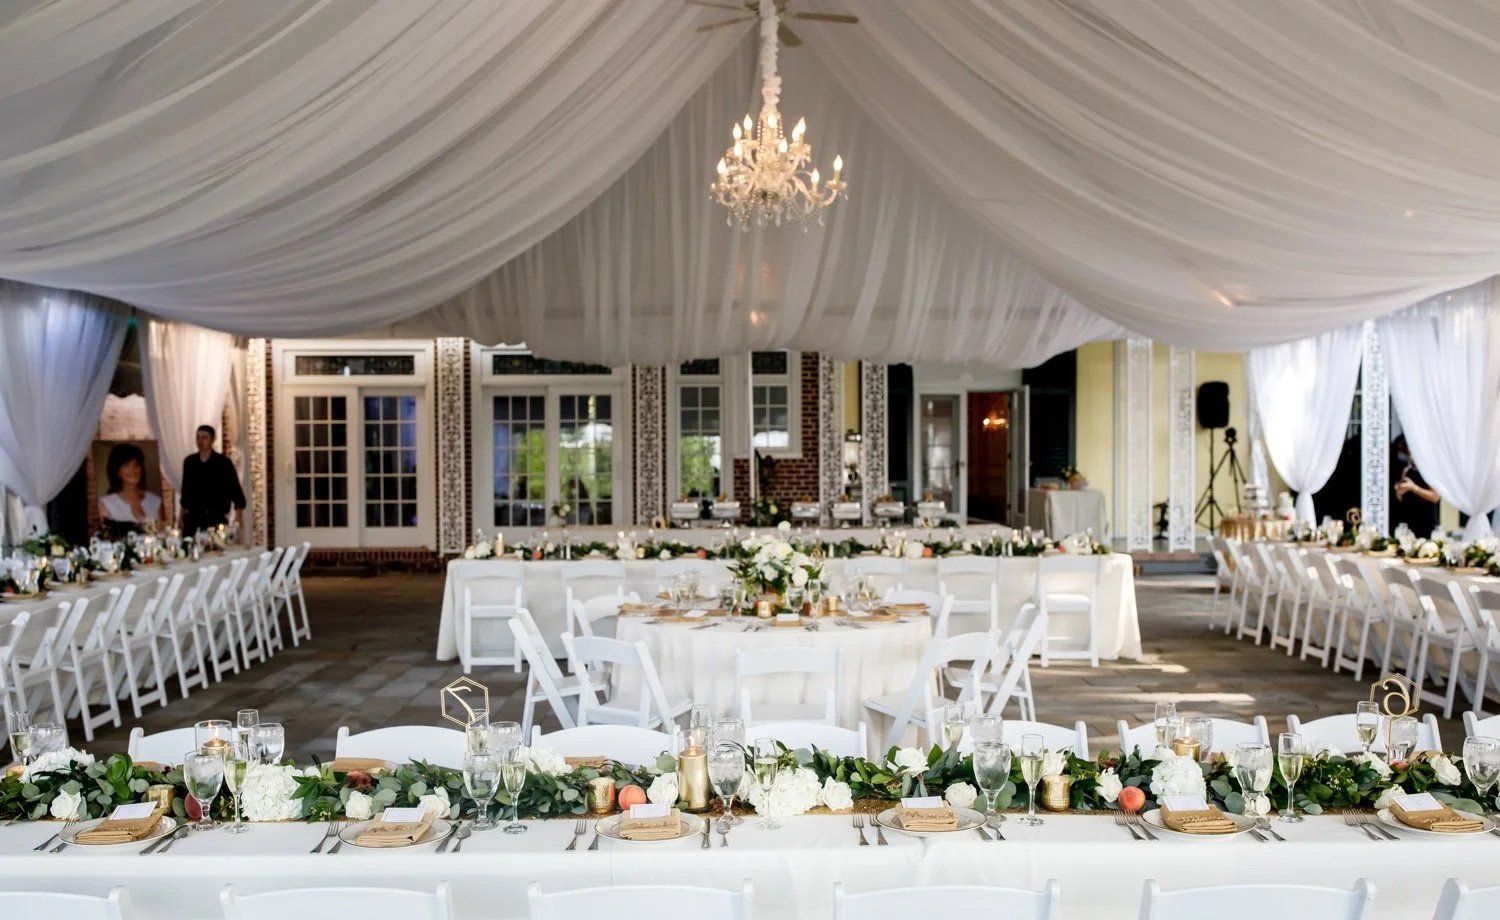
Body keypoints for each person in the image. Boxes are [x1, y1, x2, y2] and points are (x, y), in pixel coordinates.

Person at [180, 425, 246, 535]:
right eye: (198, 437)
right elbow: (185, 491)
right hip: (193, 518)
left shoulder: (223, 463)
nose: (200, 441)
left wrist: (238, 516)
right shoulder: (190, 462)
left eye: (204, 437)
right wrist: (181, 517)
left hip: (216, 517)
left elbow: (235, 489)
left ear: (212, 439)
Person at [98, 443, 166, 528]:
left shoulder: (155, 501)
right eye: (126, 466)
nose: (133, 470)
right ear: (117, 471)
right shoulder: (107, 504)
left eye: (136, 465)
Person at [1391, 434, 1440, 535]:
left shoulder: (1428, 471)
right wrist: (1399, 491)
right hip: (1409, 521)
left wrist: (1414, 488)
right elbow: (1401, 498)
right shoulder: (1407, 470)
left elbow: (1435, 497)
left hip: (1426, 522)